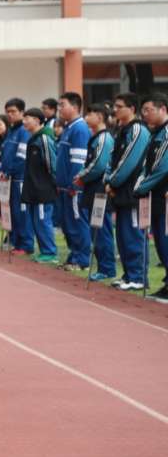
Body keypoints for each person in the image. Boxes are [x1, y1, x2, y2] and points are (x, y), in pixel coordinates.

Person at [105, 92, 150, 292]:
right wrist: (109, 180)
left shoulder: (138, 130)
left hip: (134, 191)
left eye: (119, 106)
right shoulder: (121, 130)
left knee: (133, 234)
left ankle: (138, 276)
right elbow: (112, 158)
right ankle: (129, 274)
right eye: (114, 106)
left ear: (131, 109)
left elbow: (130, 161)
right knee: (122, 235)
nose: (115, 110)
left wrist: (113, 182)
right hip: (120, 191)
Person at [74, 103, 116, 281]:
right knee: (96, 228)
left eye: (89, 114)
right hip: (93, 190)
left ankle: (107, 268)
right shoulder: (96, 137)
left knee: (101, 230)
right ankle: (103, 267)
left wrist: (82, 176)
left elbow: (99, 165)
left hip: (99, 190)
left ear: (99, 117)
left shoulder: (104, 138)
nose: (85, 118)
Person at [134, 94, 168, 302]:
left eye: (149, 110)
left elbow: (162, 167)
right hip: (153, 194)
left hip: (163, 194)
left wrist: (141, 186)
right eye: (143, 111)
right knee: (159, 240)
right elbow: (146, 165)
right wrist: (142, 184)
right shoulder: (154, 134)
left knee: (165, 239)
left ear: (162, 109)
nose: (145, 114)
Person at [55, 92, 92, 271]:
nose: (59, 109)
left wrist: (74, 185)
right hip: (64, 187)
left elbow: (78, 161)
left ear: (75, 107)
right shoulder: (68, 128)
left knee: (78, 224)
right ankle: (73, 256)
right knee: (68, 225)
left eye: (62, 105)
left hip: (74, 189)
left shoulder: (80, 129)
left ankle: (82, 260)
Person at [21, 108, 58, 263]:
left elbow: (52, 164)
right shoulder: (33, 138)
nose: (24, 122)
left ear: (37, 120)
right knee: (37, 220)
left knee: (43, 220)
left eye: (27, 118)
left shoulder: (44, 138)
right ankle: (44, 250)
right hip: (34, 187)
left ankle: (50, 252)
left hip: (43, 188)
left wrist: (51, 183)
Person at [0, 99, 34, 255]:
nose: (10, 114)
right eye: (8, 112)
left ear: (21, 112)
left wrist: (9, 172)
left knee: (22, 213)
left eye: (13, 111)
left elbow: (21, 157)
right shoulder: (11, 131)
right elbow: (6, 155)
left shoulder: (23, 131)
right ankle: (16, 242)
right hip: (9, 179)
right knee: (12, 212)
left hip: (19, 179)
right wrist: (2, 170)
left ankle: (26, 245)